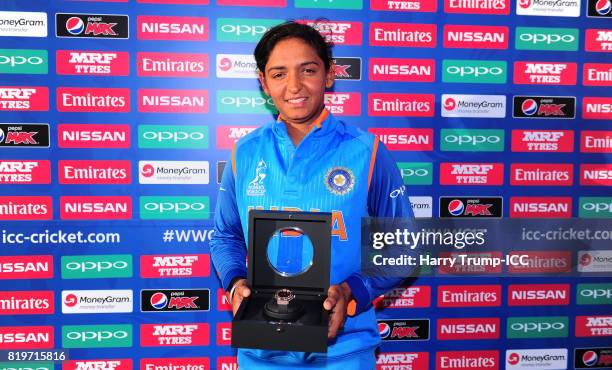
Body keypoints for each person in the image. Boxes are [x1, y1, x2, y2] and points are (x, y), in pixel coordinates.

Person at [210, 21, 414, 369]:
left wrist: (352, 291)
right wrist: (234, 283)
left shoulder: (368, 153)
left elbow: (403, 248)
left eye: (307, 70)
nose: (294, 86)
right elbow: (225, 235)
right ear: (263, 83)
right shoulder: (244, 153)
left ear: (329, 75)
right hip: (260, 354)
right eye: (278, 73)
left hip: (344, 352)